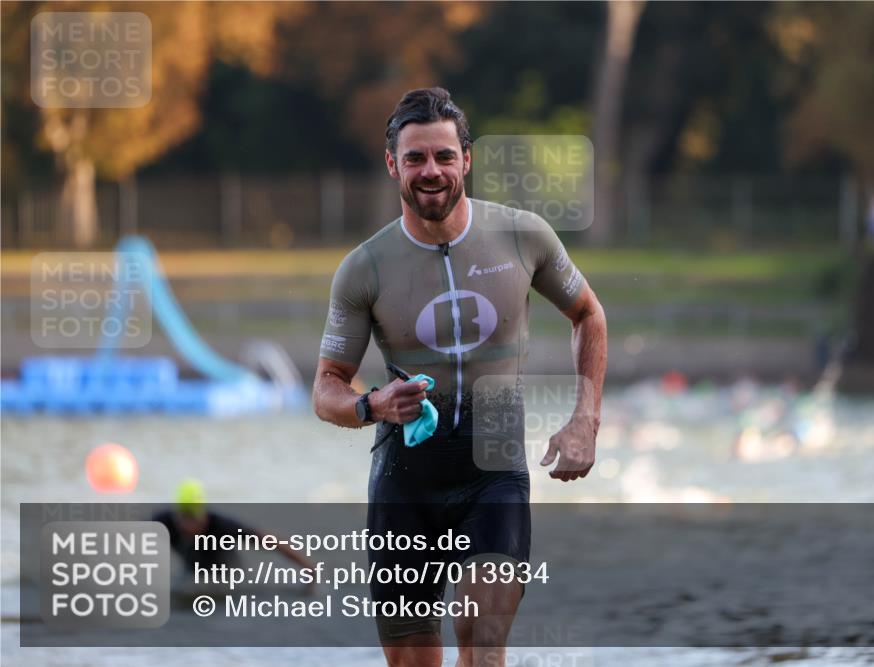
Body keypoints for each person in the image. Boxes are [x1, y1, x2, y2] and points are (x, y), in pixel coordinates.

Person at [312, 87, 607, 667]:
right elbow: (326, 388)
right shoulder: (364, 268)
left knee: (483, 637)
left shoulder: (524, 235)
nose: (432, 171)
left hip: (493, 462)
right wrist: (372, 404)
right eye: (416, 158)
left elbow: (588, 314)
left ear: (466, 160)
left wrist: (586, 419)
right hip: (405, 475)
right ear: (393, 164)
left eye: (444, 156)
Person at [153, 479, 315, 589]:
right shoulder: (164, 523)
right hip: (192, 575)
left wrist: (309, 568)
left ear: (203, 515)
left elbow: (267, 540)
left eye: (194, 518)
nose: (188, 526)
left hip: (228, 579)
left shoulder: (221, 526)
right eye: (184, 518)